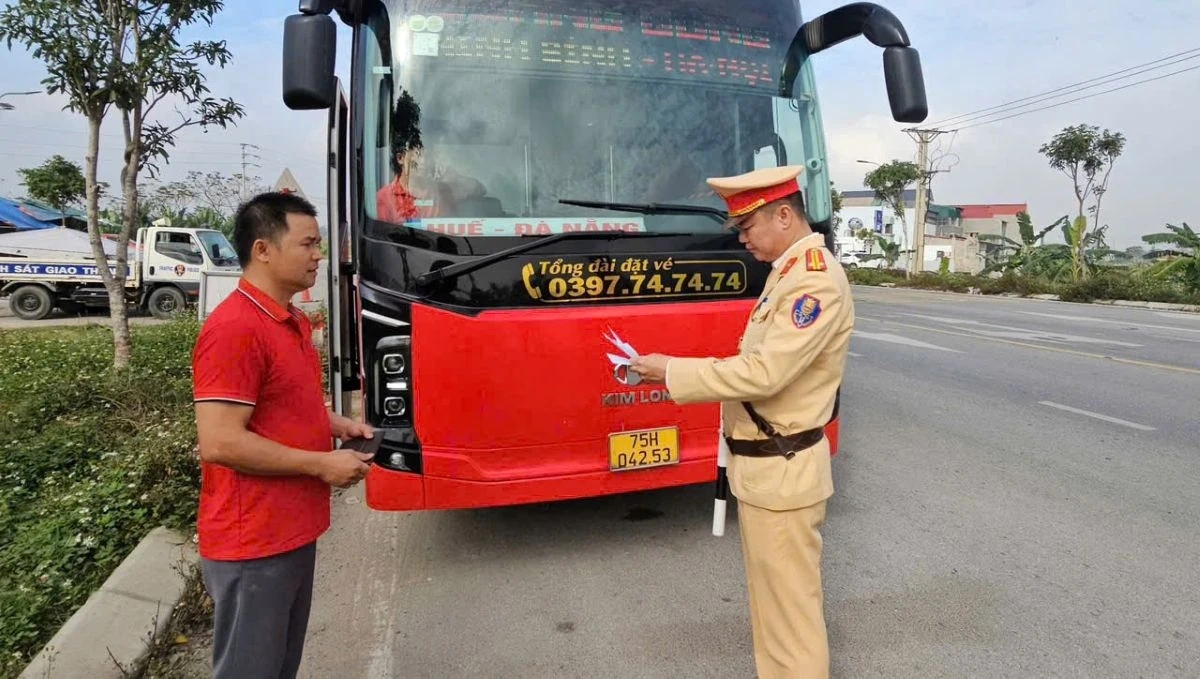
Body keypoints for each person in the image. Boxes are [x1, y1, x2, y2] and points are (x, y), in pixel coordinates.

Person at [629, 165, 854, 679]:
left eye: (747, 226)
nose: (742, 238)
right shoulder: (789, 272)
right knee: (773, 616)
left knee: (790, 624)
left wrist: (671, 370)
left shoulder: (813, 282)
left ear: (782, 215)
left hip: (784, 473)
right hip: (768, 472)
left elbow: (765, 373)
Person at [191, 191, 377, 679]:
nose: (319, 256)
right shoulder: (235, 328)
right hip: (253, 541)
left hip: (291, 531)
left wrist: (336, 424)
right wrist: (321, 463)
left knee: (279, 666)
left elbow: (281, 404)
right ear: (263, 250)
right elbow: (221, 442)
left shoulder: (289, 319)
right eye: (308, 244)